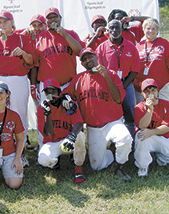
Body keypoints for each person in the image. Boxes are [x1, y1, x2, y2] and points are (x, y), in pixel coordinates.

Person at [65, 48, 132, 181]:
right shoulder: (79, 79)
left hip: (112, 122)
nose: (87, 60)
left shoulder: (111, 74)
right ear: (82, 64)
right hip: (93, 127)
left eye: (90, 57)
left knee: (125, 138)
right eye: (84, 59)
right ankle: (111, 151)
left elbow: (118, 99)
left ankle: (119, 166)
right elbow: (66, 93)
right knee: (97, 166)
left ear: (96, 57)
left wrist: (106, 76)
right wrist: (65, 99)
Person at [0, 10, 35, 146]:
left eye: (5, 22)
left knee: (19, 112)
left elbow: (31, 60)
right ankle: (0, 146)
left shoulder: (22, 38)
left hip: (17, 79)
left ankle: (20, 148)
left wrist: (23, 53)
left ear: (12, 23)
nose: (2, 25)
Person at [37, 78, 86, 184]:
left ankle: (78, 168)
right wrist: (47, 114)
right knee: (43, 160)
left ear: (59, 92)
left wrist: (72, 136)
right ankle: (55, 163)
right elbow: (48, 133)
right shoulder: (42, 108)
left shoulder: (68, 104)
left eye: (53, 91)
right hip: (52, 141)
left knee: (80, 135)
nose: (51, 95)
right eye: (47, 92)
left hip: (68, 139)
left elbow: (79, 123)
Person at [96, 19, 140, 136]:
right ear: (107, 30)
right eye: (112, 28)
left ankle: (130, 141)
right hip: (108, 85)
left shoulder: (131, 46)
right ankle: (111, 143)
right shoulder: (101, 48)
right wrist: (112, 86)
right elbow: (99, 69)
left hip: (126, 84)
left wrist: (123, 87)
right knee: (109, 115)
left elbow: (135, 69)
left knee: (129, 115)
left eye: (117, 27)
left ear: (122, 29)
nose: (114, 30)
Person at [33, 7, 83, 102]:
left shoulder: (71, 34)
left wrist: (65, 35)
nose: (52, 20)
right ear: (46, 21)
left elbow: (80, 52)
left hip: (68, 86)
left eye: (55, 17)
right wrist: (34, 85)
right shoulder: (39, 38)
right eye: (49, 18)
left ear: (60, 18)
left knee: (69, 113)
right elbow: (34, 65)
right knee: (48, 113)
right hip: (47, 89)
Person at [134, 78, 169, 177]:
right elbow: (142, 126)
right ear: (142, 94)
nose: (150, 93)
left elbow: (168, 126)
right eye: (147, 91)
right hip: (146, 137)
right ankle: (143, 166)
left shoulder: (167, 105)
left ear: (158, 92)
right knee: (141, 136)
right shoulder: (139, 107)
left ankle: (161, 158)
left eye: (153, 90)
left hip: (162, 136)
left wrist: (152, 132)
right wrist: (149, 110)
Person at [134, 18, 169, 103]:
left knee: (161, 111)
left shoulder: (164, 44)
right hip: (141, 89)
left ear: (157, 31)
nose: (150, 31)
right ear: (144, 30)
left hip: (160, 87)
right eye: (148, 28)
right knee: (143, 112)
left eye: (154, 29)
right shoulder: (138, 46)